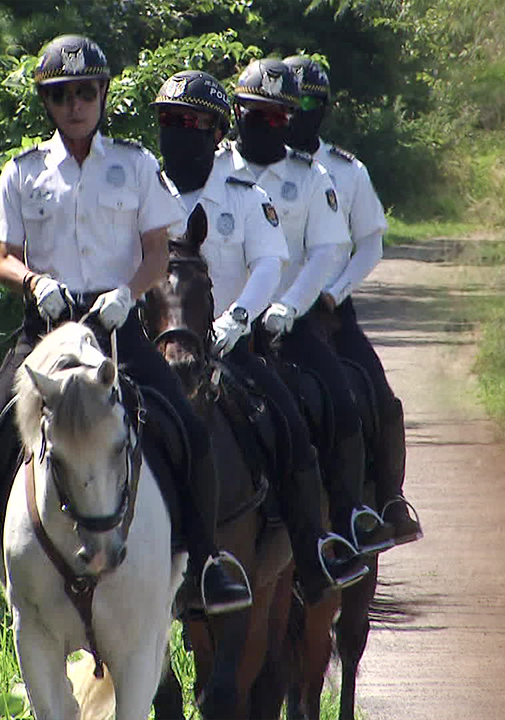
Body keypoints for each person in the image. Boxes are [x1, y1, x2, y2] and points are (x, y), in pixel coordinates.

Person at [0, 35, 251, 622]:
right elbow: (4, 256)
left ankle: (205, 563)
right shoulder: (22, 172)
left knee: (189, 428)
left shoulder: (135, 166)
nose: (75, 106)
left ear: (103, 95)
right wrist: (33, 282)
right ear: (48, 103)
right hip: (47, 329)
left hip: (117, 328)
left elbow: (160, 253)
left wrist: (126, 296)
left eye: (85, 93)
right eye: (61, 96)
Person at [150, 70, 368, 604]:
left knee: (294, 425)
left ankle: (317, 546)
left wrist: (241, 318)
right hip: (152, 347)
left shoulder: (247, 196)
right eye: (174, 121)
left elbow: (271, 264)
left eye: (198, 123)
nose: (185, 132)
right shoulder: (143, 190)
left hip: (231, 346)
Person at [214, 58, 393, 557]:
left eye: (278, 116)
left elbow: (331, 251)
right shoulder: (212, 169)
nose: (268, 124)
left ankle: (351, 511)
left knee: (344, 397)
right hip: (213, 327)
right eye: (256, 113)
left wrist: (293, 306)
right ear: (237, 111)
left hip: (289, 323)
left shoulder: (315, 176)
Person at [280, 54, 422, 545]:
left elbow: (370, 243)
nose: (299, 111)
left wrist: (333, 294)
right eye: (290, 101)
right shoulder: (248, 166)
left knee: (380, 398)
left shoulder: (346, 170)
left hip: (329, 314)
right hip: (260, 309)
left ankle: (386, 499)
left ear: (324, 109)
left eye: (309, 103)